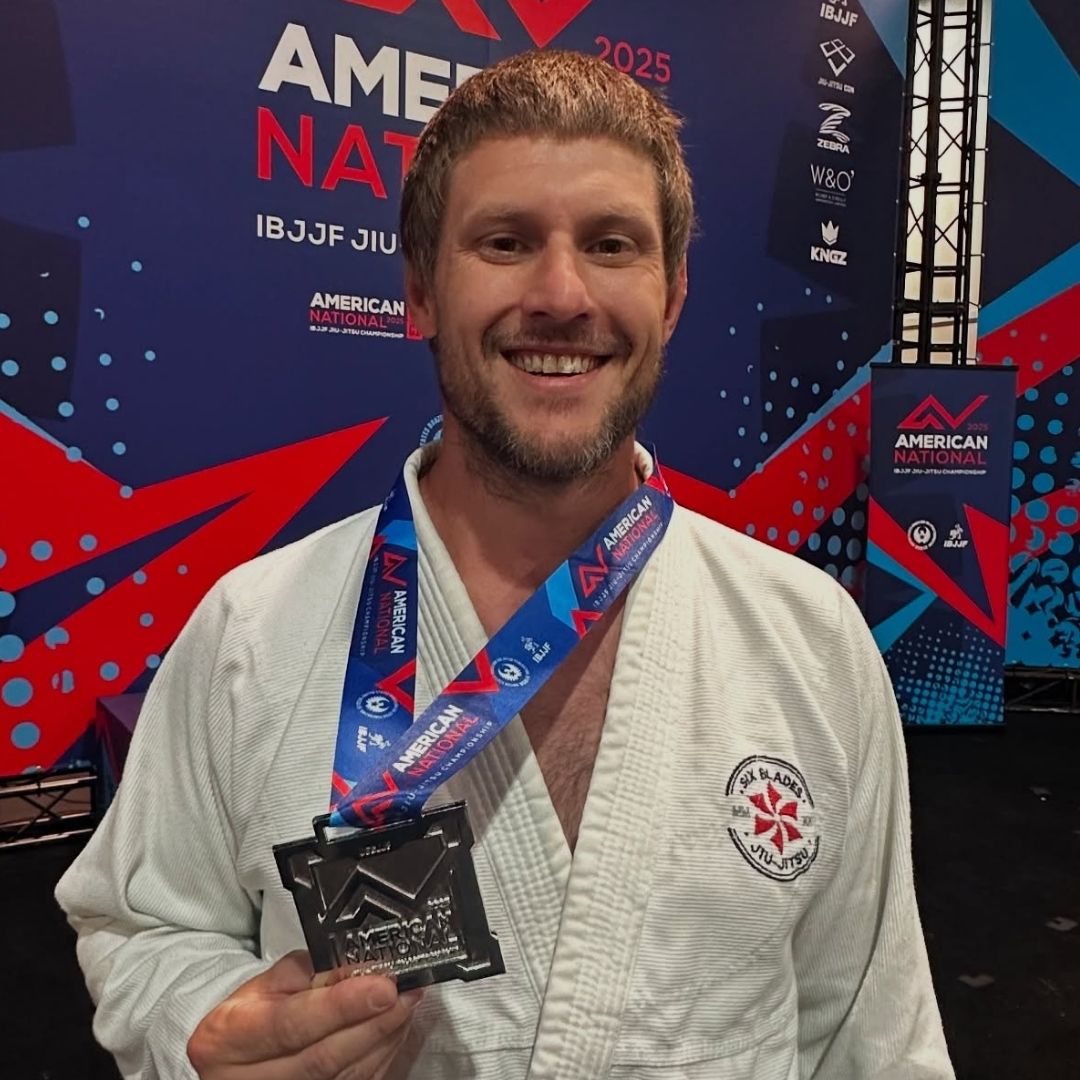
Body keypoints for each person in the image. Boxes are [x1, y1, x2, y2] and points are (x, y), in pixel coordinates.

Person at [56, 49, 954, 1080]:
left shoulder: (809, 638)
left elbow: (873, 1035)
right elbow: (140, 926)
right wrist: (200, 1028)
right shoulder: (252, 632)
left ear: (670, 298)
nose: (562, 294)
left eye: (613, 244)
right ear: (420, 293)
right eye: (505, 241)